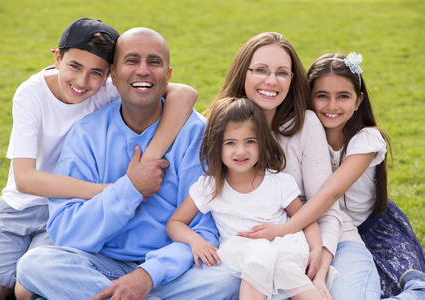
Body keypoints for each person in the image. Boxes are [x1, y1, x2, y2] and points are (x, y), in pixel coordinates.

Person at [0, 18, 197, 300]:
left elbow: (184, 93)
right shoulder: (31, 94)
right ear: (57, 59)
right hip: (26, 206)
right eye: (75, 67)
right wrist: (126, 187)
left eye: (95, 73)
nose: (82, 82)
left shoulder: (109, 90)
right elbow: (25, 180)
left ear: (108, 76)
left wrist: (149, 158)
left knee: (25, 289)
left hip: (66, 212)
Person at [16, 27, 240, 299]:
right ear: (113, 73)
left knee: (228, 278)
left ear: (168, 75)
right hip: (100, 265)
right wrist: (131, 188)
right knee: (34, 265)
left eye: (154, 62)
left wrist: (148, 275)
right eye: (132, 61)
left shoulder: (196, 133)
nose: (143, 70)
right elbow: (66, 232)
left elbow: (203, 229)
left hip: (170, 272)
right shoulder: (86, 133)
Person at [214, 32, 380, 299]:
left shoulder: (306, 125)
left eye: (282, 72)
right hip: (255, 249)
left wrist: (321, 262)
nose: (271, 80)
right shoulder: (220, 125)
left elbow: (326, 206)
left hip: (326, 239)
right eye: (260, 70)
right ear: (242, 72)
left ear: (292, 81)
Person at [167, 96, 332, 300]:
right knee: (259, 257)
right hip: (242, 252)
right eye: (230, 143)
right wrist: (195, 241)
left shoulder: (278, 182)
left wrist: (315, 249)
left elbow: (306, 220)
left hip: (283, 248)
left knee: (284, 268)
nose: (241, 151)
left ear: (261, 142)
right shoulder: (209, 187)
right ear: (216, 145)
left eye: (250, 141)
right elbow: (175, 223)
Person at [306, 52, 425, 299]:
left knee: (397, 286)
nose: (332, 106)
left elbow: (331, 192)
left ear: (358, 100)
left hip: (371, 228)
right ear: (308, 97)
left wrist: (287, 227)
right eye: (321, 96)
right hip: (326, 229)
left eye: (343, 96)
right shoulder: (304, 135)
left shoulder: (367, 139)